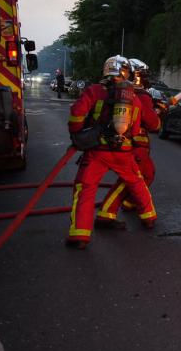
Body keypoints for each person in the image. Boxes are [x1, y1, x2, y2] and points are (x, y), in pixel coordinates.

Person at [65, 56, 156, 249]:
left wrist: (77, 132)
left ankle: (79, 235)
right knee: (136, 181)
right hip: (123, 151)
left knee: (86, 189)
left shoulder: (95, 91)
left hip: (97, 150)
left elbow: (77, 113)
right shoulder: (134, 98)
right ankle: (149, 217)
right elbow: (138, 125)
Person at [95, 58, 160, 229]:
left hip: (128, 143)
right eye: (144, 75)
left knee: (146, 174)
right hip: (137, 145)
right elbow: (153, 124)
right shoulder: (141, 95)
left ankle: (130, 203)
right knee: (132, 179)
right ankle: (107, 213)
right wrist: (158, 113)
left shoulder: (125, 92)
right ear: (137, 75)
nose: (147, 79)